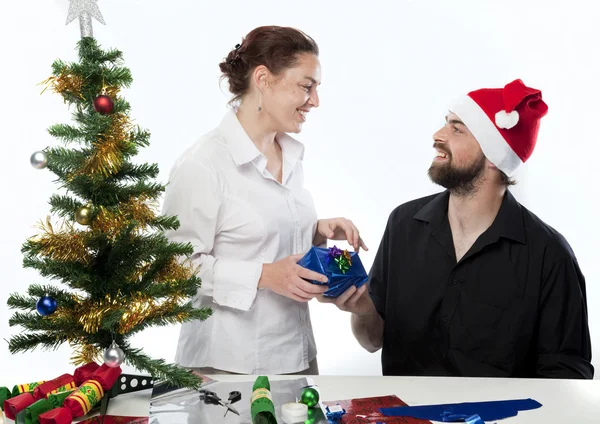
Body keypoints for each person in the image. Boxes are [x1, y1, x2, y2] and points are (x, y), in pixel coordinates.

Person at [324, 79, 594, 379]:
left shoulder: (549, 255)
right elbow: (372, 341)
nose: (438, 136)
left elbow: (567, 374)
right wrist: (363, 310)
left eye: (457, 129)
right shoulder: (403, 224)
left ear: (494, 156)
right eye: (445, 124)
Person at [162, 25, 367, 375]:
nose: (315, 100)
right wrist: (265, 276)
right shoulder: (203, 163)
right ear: (263, 79)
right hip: (226, 366)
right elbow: (172, 268)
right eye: (306, 86)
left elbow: (255, 234)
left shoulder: (289, 155)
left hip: (297, 356)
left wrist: (314, 231)